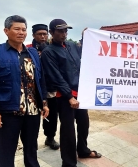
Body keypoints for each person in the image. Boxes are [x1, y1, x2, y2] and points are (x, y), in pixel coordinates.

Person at [0, 15, 49, 167]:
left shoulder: (33, 53)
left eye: (24, 29)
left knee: (31, 151)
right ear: (6, 31)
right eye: (17, 29)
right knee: (7, 153)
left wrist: (44, 103)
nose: (21, 32)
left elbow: (40, 79)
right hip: (9, 112)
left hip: (32, 112)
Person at [41, 19, 101, 167]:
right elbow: (56, 77)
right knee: (68, 130)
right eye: (60, 31)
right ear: (52, 32)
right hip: (65, 97)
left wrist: (85, 37)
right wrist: (69, 96)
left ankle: (83, 150)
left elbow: (85, 53)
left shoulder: (71, 45)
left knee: (84, 123)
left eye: (65, 31)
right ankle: (68, 162)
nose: (64, 34)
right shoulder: (48, 52)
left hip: (80, 93)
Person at [31, 24, 60, 150]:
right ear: (33, 35)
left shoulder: (51, 49)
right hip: (33, 90)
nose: (43, 37)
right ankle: (32, 141)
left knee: (52, 115)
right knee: (32, 117)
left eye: (45, 34)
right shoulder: (28, 49)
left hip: (50, 88)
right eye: (39, 34)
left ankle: (50, 138)